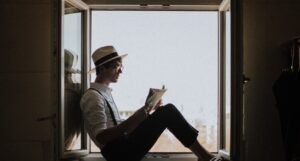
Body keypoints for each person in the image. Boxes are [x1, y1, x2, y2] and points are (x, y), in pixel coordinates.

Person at [80, 45, 228, 161]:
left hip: (123, 146)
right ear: (102, 68)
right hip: (119, 154)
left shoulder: (105, 94)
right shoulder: (92, 97)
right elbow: (102, 137)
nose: (121, 71)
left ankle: (203, 156)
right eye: (117, 66)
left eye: (121, 66)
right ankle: (204, 156)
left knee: (164, 112)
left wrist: (147, 110)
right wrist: (137, 116)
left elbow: (120, 128)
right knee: (167, 112)